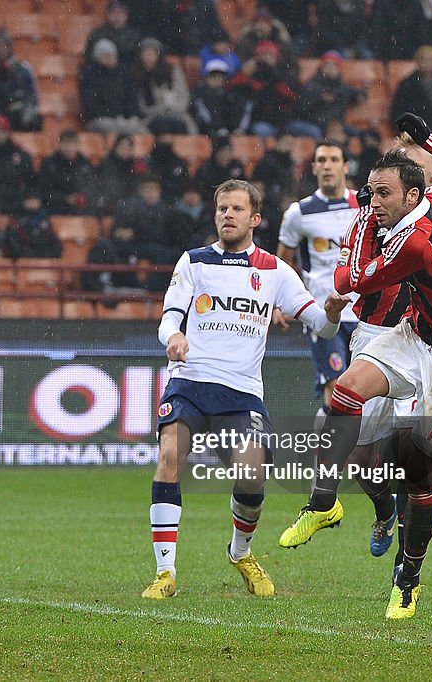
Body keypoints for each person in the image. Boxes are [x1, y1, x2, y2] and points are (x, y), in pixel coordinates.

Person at [279, 114, 432, 619]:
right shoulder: (423, 209)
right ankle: (324, 502)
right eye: (372, 193)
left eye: (382, 195)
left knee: (415, 469)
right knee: (344, 395)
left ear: (417, 188)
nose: (370, 202)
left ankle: (409, 576)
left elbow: (351, 276)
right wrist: (428, 139)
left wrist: (360, 221)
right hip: (412, 331)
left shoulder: (415, 240)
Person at [141, 178, 350, 599]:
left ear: (254, 219)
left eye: (236, 209)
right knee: (169, 456)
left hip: (240, 394)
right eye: (222, 209)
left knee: (253, 475)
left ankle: (240, 553)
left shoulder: (274, 270)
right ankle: (165, 574)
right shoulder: (194, 262)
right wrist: (174, 339)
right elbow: (169, 318)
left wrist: (330, 313)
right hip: (189, 382)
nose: (227, 216)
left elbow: (320, 325)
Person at [276, 139, 360, 412]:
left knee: (364, 391)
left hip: (365, 314)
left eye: (334, 160)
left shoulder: (365, 207)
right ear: (313, 168)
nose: (327, 166)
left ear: (345, 167)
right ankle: (331, 454)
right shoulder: (298, 213)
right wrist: (278, 302)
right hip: (323, 314)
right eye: (321, 160)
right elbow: (282, 264)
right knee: (335, 387)